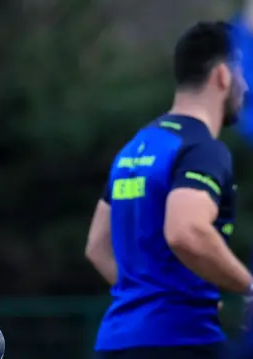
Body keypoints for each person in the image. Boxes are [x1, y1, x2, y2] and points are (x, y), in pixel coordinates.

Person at [85, 20, 250, 359]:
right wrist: (248, 286)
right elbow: (186, 231)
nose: (247, 86)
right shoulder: (202, 148)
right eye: (244, 70)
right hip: (179, 343)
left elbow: (97, 246)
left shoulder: (136, 146)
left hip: (116, 344)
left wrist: (153, 290)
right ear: (222, 75)